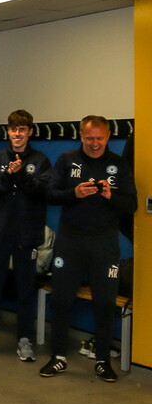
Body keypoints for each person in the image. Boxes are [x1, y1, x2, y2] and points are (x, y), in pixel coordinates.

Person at [40, 115, 136, 382]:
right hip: (70, 240)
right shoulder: (66, 159)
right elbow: (50, 194)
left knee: (105, 302)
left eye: (100, 138)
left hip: (104, 242)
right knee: (61, 299)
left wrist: (110, 194)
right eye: (89, 138)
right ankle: (58, 357)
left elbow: (131, 205)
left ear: (108, 137)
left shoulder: (118, 164)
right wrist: (75, 193)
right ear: (81, 136)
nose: (95, 143)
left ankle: (103, 360)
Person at [0, 110, 52, 361]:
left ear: (30, 132)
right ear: (8, 131)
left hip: (26, 236)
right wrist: (8, 175)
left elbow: (43, 191)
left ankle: (24, 340)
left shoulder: (40, 161)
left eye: (22, 129)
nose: (17, 134)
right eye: (13, 129)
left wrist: (21, 175)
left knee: (26, 290)